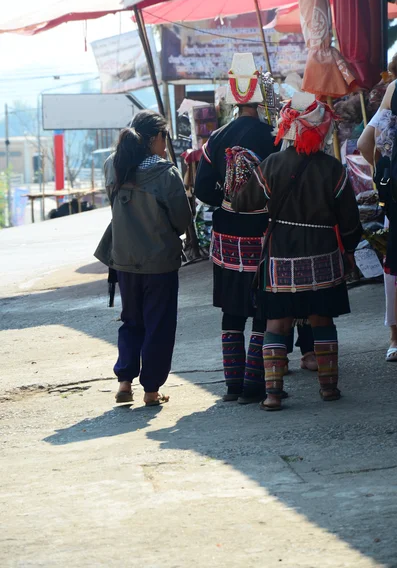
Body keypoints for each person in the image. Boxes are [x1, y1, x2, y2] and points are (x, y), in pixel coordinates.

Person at [195, 53, 315, 405]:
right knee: (265, 309)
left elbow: (203, 191)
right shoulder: (274, 137)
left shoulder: (216, 139)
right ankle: (255, 384)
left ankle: (233, 387)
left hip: (228, 237)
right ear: (262, 97)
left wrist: (229, 198)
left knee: (232, 311)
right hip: (265, 234)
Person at [234, 95, 363, 411]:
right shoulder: (334, 169)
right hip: (323, 257)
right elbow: (349, 221)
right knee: (322, 321)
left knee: (277, 323)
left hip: (281, 259)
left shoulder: (272, 165)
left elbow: (241, 204)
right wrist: (349, 251)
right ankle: (329, 388)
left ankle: (273, 395)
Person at [95, 110, 192, 405]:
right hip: (159, 261)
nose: (167, 143)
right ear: (153, 139)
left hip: (123, 258)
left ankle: (124, 383)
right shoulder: (165, 173)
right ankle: (151, 390)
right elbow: (182, 220)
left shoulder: (113, 165)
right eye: (165, 136)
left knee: (131, 320)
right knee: (158, 324)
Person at [358, 56, 397, 361]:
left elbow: (364, 142)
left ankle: (395, 337)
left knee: (394, 261)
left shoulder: (395, 88)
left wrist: (381, 170)